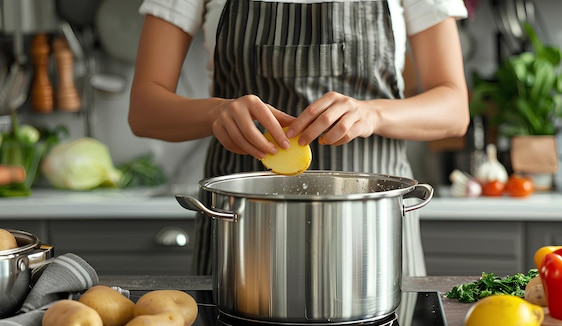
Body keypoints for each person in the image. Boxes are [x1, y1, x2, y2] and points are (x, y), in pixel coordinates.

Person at [129, 0, 470, 277]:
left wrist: (374, 114)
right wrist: (215, 112)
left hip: (372, 237)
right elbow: (144, 110)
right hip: (243, 236)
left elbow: (455, 109)